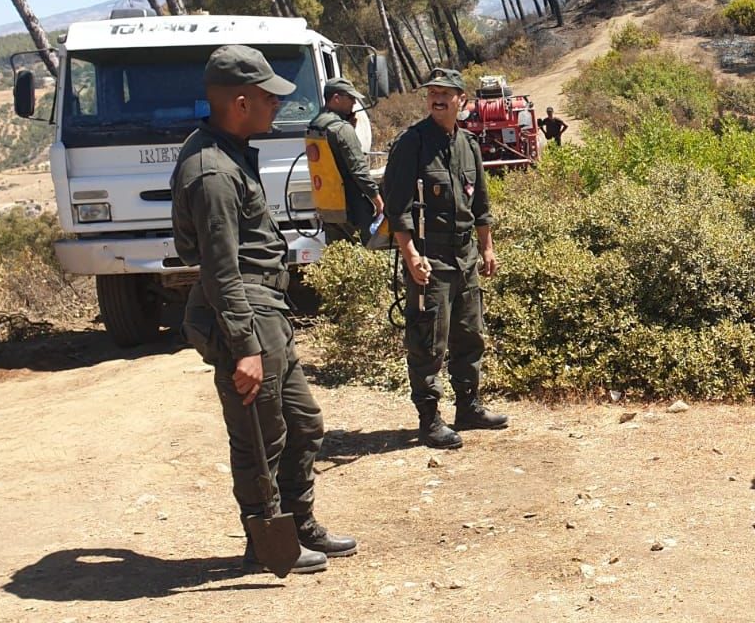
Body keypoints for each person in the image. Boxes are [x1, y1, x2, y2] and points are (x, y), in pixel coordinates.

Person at [172, 45, 356, 575]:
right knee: (260, 436)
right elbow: (219, 270)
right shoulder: (212, 172)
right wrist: (245, 347)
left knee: (303, 423)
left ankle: (299, 523)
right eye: (270, 99)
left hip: (266, 308)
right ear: (240, 101)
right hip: (245, 313)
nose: (277, 108)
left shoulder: (229, 151)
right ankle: (268, 542)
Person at [382, 68, 508, 450]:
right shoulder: (412, 144)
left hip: (465, 254)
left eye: (445, 93)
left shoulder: (468, 145)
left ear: (461, 102)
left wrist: (486, 246)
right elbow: (397, 208)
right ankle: (429, 419)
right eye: (432, 93)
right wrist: (411, 256)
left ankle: (468, 407)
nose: (437, 98)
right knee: (427, 340)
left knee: (470, 334)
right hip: (429, 257)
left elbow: (480, 203)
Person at [308, 78, 383, 244]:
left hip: (328, 208)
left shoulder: (314, 125)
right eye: (350, 98)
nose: (354, 102)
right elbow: (358, 170)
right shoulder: (342, 129)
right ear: (336, 98)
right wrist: (377, 200)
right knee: (367, 255)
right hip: (351, 208)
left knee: (338, 256)